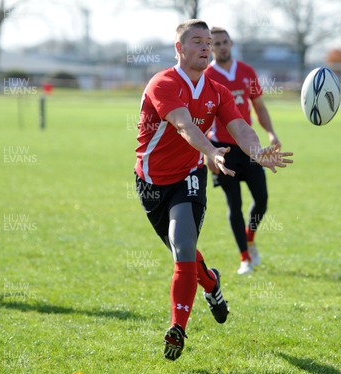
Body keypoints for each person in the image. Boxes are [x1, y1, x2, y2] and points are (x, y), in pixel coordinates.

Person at [134, 19, 293, 361]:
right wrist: (210, 151)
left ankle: (178, 327)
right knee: (187, 257)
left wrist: (256, 152)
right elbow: (183, 124)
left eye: (209, 41)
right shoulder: (163, 83)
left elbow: (239, 126)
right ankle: (213, 285)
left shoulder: (217, 90)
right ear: (179, 48)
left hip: (189, 177)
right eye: (197, 41)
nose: (206, 47)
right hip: (150, 182)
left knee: (184, 248)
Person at [204, 27, 280, 275]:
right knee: (233, 204)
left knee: (262, 200)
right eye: (217, 43)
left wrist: (271, 133)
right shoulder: (206, 75)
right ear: (210, 47)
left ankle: (250, 237)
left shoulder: (247, 72)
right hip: (222, 149)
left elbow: (258, 106)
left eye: (225, 42)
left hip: (250, 147)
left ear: (231, 43)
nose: (222, 46)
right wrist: (206, 149)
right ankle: (245, 257)